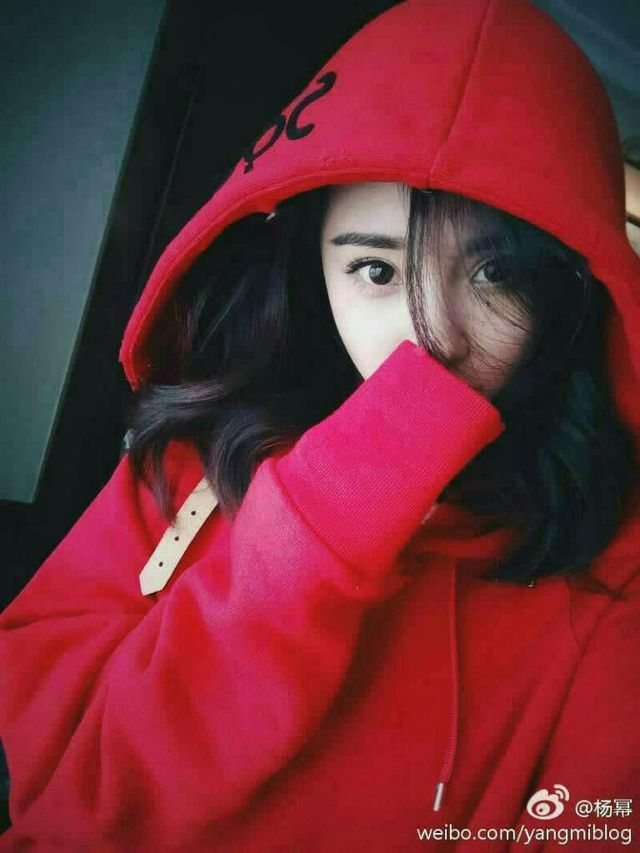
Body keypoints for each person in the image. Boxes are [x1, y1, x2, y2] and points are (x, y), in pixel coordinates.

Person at [1, 0, 639, 849]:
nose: (431, 340)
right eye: (376, 269)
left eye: (494, 274)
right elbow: (58, 790)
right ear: (313, 273)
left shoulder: (612, 585)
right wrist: (328, 511)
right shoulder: (195, 457)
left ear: (570, 293)